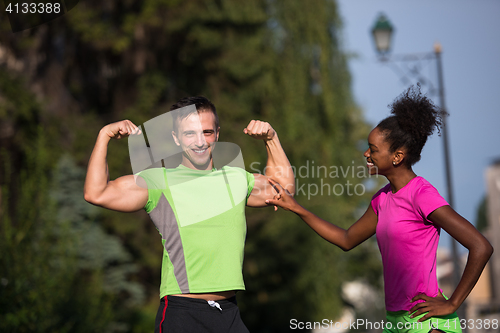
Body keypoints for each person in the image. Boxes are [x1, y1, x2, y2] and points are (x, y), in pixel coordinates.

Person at [266, 86, 493, 333]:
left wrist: (452, 303)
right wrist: (298, 208)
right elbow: (346, 239)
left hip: (425, 322)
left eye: (373, 149)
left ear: (397, 156)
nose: (366, 154)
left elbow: (480, 246)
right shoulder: (382, 199)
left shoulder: (422, 195)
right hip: (394, 321)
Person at [84, 96, 295, 333]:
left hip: (229, 314)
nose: (200, 142)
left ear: (217, 133)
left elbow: (284, 190)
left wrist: (271, 139)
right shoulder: (158, 181)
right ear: (176, 138)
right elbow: (97, 193)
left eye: (206, 132)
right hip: (182, 314)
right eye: (189, 134)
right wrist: (105, 135)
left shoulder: (236, 179)